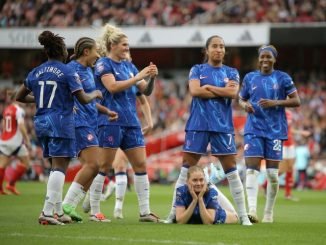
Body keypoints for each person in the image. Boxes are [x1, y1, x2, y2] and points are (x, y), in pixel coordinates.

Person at [15, 30, 103, 225]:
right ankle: (47, 213)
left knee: (54, 167)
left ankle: (57, 211)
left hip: (41, 122)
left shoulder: (36, 71)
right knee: (60, 167)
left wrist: (40, 99)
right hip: (61, 122)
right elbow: (82, 98)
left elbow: (18, 96)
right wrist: (95, 93)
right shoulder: (67, 71)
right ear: (62, 51)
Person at [166, 35, 252, 226]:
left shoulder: (231, 72)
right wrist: (221, 90)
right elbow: (195, 91)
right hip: (198, 124)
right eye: (215, 46)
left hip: (222, 126)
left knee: (232, 170)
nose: (219, 49)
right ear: (207, 50)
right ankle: (172, 215)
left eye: (222, 46)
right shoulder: (197, 69)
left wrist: (210, 87)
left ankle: (244, 216)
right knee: (185, 170)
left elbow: (232, 93)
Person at [89, 23, 159, 222]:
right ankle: (95, 211)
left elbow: (145, 91)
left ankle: (144, 211)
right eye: (124, 45)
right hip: (110, 120)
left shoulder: (129, 66)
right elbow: (112, 87)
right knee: (103, 165)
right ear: (113, 45)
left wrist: (151, 78)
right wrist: (138, 76)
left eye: (128, 45)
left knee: (141, 164)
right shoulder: (103, 64)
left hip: (131, 122)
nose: (127, 49)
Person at [239, 45, 301, 223]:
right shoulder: (250, 78)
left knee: (273, 175)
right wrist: (245, 106)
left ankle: (268, 212)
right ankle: (251, 210)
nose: (265, 60)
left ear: (274, 59)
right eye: (262, 57)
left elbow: (296, 100)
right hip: (253, 129)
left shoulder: (283, 78)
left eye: (269, 57)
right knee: (251, 170)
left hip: (275, 130)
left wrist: (275, 103)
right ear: (258, 59)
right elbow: (241, 98)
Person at [60, 37, 118, 223]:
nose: (98, 56)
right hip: (78, 122)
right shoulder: (71, 70)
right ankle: (65, 205)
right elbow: (72, 96)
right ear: (86, 51)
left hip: (90, 121)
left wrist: (105, 110)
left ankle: (70, 206)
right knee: (94, 164)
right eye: (96, 51)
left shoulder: (88, 71)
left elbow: (88, 99)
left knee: (94, 167)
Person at [107, 93, 153, 219]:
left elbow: (144, 95)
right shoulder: (105, 75)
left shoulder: (132, 75)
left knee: (122, 166)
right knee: (99, 165)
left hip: (129, 126)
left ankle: (119, 207)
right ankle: (94, 204)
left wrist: (149, 122)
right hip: (109, 124)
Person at [0, 89, 31, 195]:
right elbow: (21, 125)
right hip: (15, 141)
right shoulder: (18, 110)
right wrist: (27, 139)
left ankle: (1, 189)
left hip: (4, 140)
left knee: (2, 165)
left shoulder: (7, 109)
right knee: (26, 163)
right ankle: (11, 184)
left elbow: (3, 126)